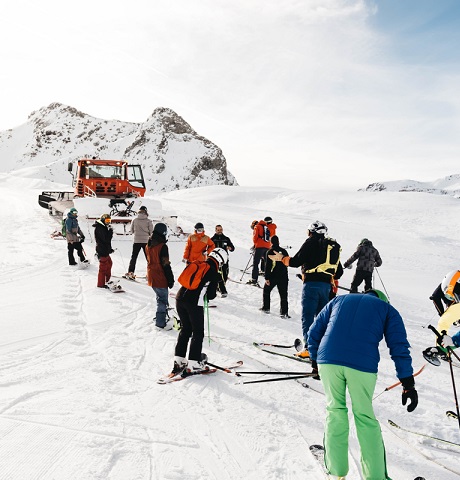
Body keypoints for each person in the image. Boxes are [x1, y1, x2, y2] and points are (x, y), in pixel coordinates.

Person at [308, 289, 418, 480]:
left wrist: (315, 361)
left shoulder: (339, 300)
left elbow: (313, 331)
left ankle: (336, 470)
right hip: (362, 366)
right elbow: (398, 346)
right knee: (364, 416)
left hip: (328, 361)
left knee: (335, 411)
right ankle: (375, 477)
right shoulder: (387, 309)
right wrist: (408, 383)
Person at [268, 220, 343, 357]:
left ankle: (309, 348)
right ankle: (322, 348)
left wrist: (282, 258)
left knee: (308, 316)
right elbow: (339, 272)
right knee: (322, 318)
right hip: (326, 287)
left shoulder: (311, 242)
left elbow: (296, 261)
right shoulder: (331, 246)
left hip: (311, 284)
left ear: (311, 232)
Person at [170, 248, 229, 376]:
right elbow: (212, 295)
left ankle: (178, 360)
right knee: (198, 332)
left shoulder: (198, 263)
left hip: (179, 299)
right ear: (220, 260)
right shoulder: (213, 271)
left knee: (185, 329)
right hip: (193, 303)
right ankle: (194, 363)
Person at [146, 222, 174, 329]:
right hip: (160, 276)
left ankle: (161, 317)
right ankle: (160, 322)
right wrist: (170, 279)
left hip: (151, 275)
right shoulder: (162, 246)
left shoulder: (149, 244)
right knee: (162, 300)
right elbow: (165, 264)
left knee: (160, 298)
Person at [261, 235, 290, 318]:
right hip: (283, 276)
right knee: (283, 294)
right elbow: (287, 263)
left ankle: (266, 307)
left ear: (271, 242)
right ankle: (284, 312)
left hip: (273, 276)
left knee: (266, 291)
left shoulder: (270, 252)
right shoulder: (284, 251)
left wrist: (267, 278)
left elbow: (268, 266)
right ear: (278, 242)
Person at [125, 206, 153, 279]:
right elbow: (151, 232)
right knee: (148, 258)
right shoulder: (149, 221)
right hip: (146, 241)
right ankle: (151, 273)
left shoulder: (135, 220)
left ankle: (131, 272)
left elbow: (131, 231)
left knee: (134, 257)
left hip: (136, 241)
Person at [211, 224, 235, 297]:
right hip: (216, 260)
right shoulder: (212, 239)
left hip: (224, 259)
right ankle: (218, 288)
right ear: (215, 230)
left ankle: (221, 286)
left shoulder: (226, 239)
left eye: (220, 230)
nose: (219, 231)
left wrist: (230, 248)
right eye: (218, 230)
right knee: (216, 274)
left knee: (225, 274)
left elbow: (232, 248)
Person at [247, 218, 271, 285]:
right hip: (267, 247)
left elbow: (255, 238)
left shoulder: (257, 227)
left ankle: (254, 280)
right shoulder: (265, 227)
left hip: (259, 247)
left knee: (256, 263)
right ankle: (269, 279)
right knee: (267, 263)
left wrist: (255, 245)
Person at [94, 214, 114, 289]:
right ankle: (101, 284)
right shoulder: (100, 228)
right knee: (103, 267)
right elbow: (106, 239)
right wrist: (110, 232)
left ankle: (107, 280)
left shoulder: (103, 227)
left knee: (109, 263)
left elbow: (107, 241)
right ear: (103, 220)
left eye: (109, 221)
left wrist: (109, 249)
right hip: (102, 250)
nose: (108, 222)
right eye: (107, 221)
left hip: (105, 249)